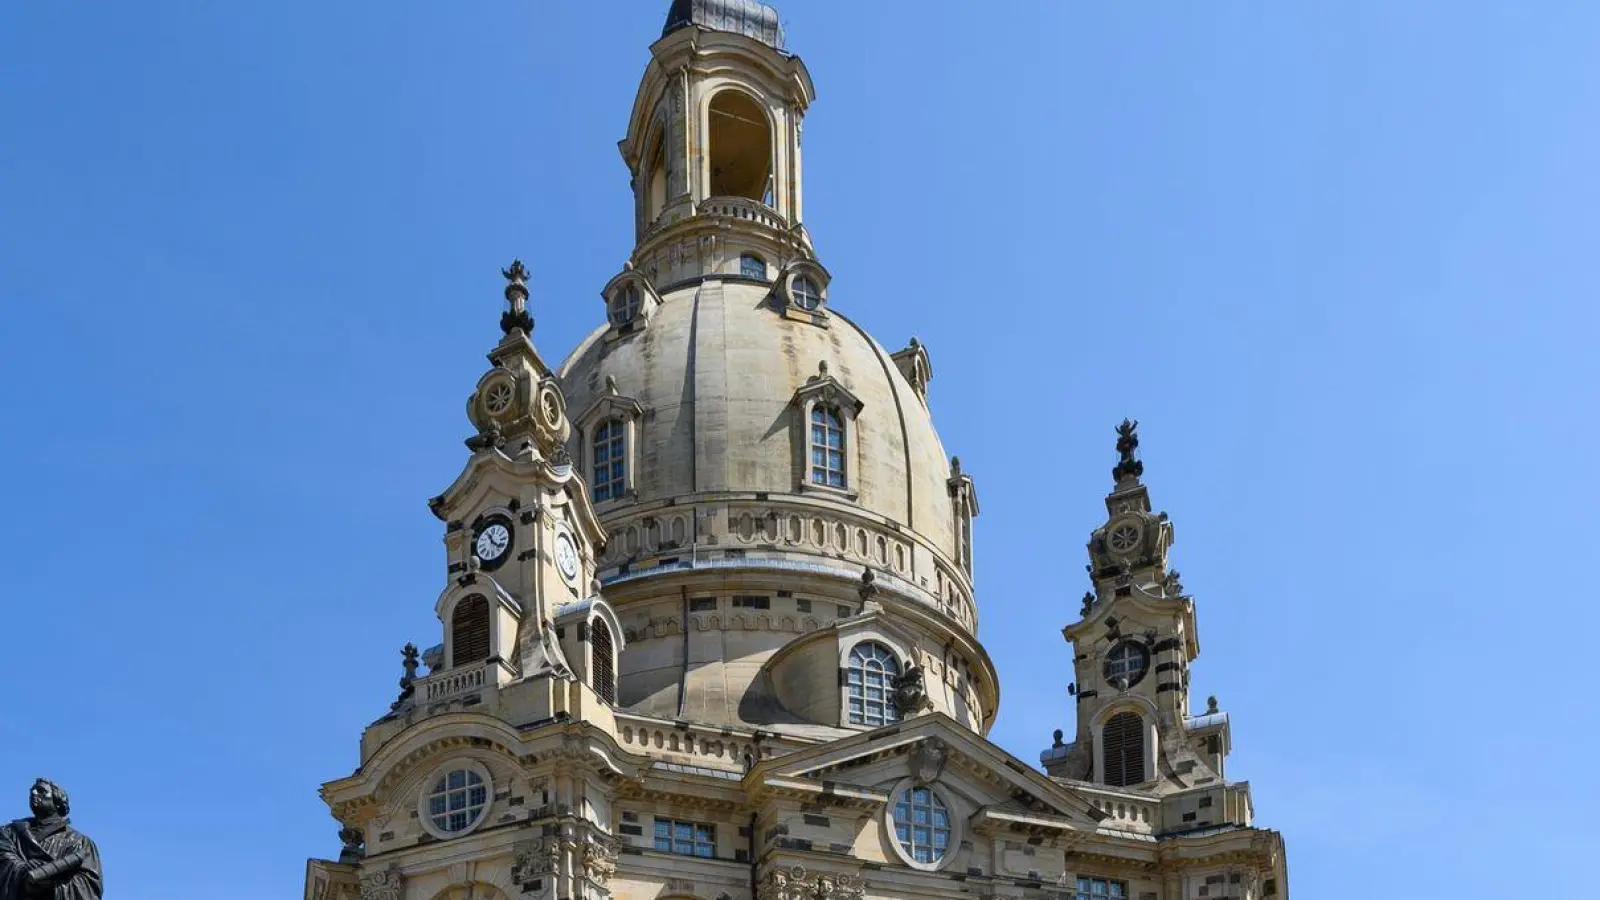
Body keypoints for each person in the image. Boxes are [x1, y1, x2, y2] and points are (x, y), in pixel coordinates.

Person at [0, 780, 101, 900]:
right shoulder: (10, 832)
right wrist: (24, 871)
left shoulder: (79, 842)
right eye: (32, 790)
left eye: (41, 791)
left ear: (58, 801)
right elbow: (3, 856)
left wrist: (51, 885)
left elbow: (88, 887)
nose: (33, 793)